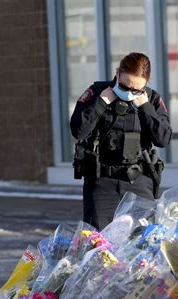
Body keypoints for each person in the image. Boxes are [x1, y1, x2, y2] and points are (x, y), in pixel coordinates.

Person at [70, 52, 172, 230]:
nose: (129, 93)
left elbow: (163, 139)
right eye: (125, 87)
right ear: (117, 73)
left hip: (138, 180)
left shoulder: (152, 99)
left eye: (136, 90)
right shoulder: (97, 92)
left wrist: (145, 107)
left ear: (146, 84)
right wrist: (101, 103)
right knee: (98, 245)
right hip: (101, 182)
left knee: (141, 245)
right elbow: (78, 131)